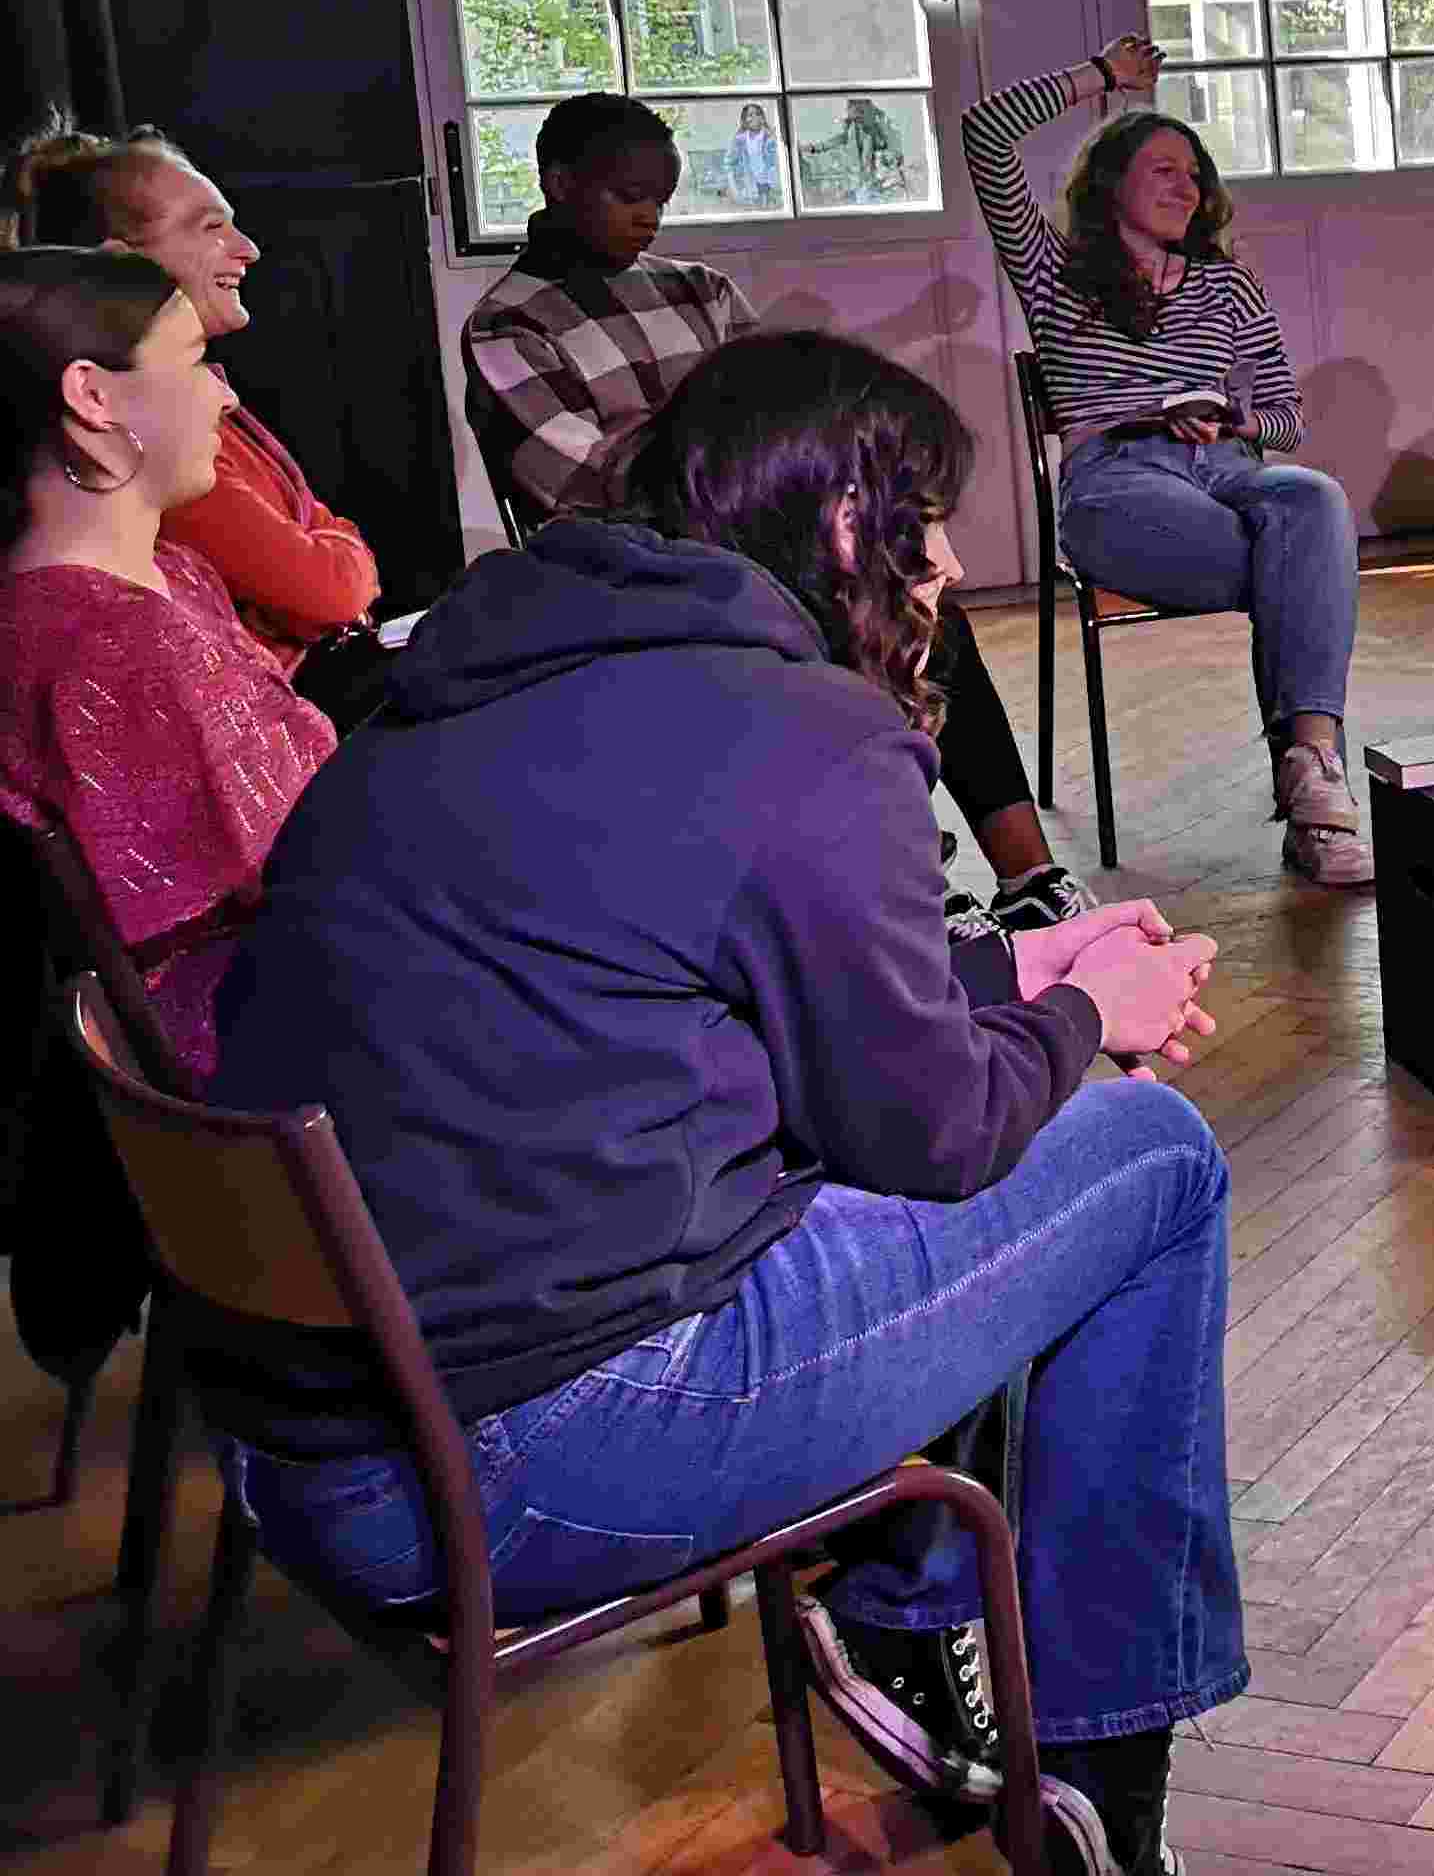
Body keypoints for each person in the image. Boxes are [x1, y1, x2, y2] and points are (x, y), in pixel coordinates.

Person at [205, 333, 1241, 1876]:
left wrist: (1014, 969)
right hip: (514, 1466)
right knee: (1153, 1157)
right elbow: (938, 1132)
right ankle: (1085, 1754)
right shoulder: (801, 727)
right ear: (840, 525)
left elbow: (712, 961)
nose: (951, 560)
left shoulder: (473, 681)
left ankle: (918, 1626)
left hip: (308, 1449)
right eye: (925, 516)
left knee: (866, 1138)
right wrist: (1102, 1014)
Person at [470, 91, 1090, 920]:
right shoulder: (509, 323)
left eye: (664, 196)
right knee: (840, 611)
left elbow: (797, 421)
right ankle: (897, 875)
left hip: (767, 534)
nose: (651, 217)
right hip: (642, 569)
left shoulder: (699, 290)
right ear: (557, 183)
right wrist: (732, 468)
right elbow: (573, 478)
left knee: (917, 600)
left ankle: (1031, 879)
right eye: (629, 196)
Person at [961, 36, 1370, 885]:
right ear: (1109, 183)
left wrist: (1233, 416)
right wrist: (1103, 76)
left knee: (1315, 500)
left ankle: (1309, 768)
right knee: (1298, 570)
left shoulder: (1228, 286)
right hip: (1118, 480)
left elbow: (1288, 421)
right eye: (1163, 170)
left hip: (1230, 470)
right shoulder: (1054, 272)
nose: (1189, 186)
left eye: (1195, 173)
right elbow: (984, 134)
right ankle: (1319, 810)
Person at [0, 244, 335, 1079]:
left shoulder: (170, 574)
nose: (225, 394)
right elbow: (291, 899)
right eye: (196, 362)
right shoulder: (112, 650)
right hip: (280, 1065)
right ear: (91, 396)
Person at [11, 119, 382, 678]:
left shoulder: (191, 417)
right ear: (121, 261)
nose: (249, 249)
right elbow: (327, 591)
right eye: (212, 226)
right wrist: (334, 556)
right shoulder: (151, 440)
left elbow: (319, 553)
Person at [729, 101, 785, 209]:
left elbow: (777, 150)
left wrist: (772, 135)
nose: (754, 117)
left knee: (769, 201)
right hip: (752, 177)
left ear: (762, 118)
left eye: (758, 114)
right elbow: (733, 156)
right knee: (757, 202)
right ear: (744, 120)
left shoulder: (768, 135)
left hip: (768, 176)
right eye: (750, 115)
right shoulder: (741, 138)